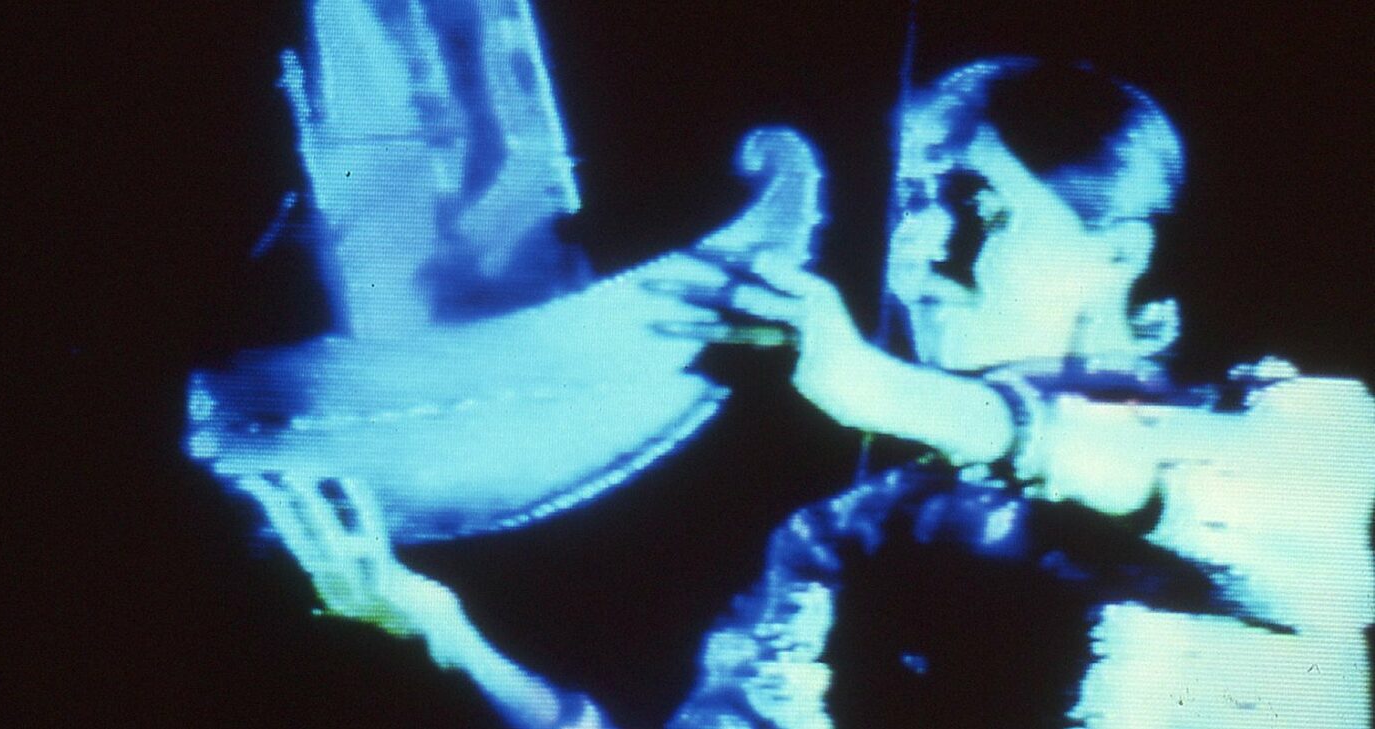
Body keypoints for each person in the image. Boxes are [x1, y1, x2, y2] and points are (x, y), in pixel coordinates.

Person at [245, 58, 1375, 728]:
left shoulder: (1302, 434)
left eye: (973, 205)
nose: (914, 247)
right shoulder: (847, 536)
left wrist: (879, 389)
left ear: (1118, 251)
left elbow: (1200, 486)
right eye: (909, 203)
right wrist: (439, 633)